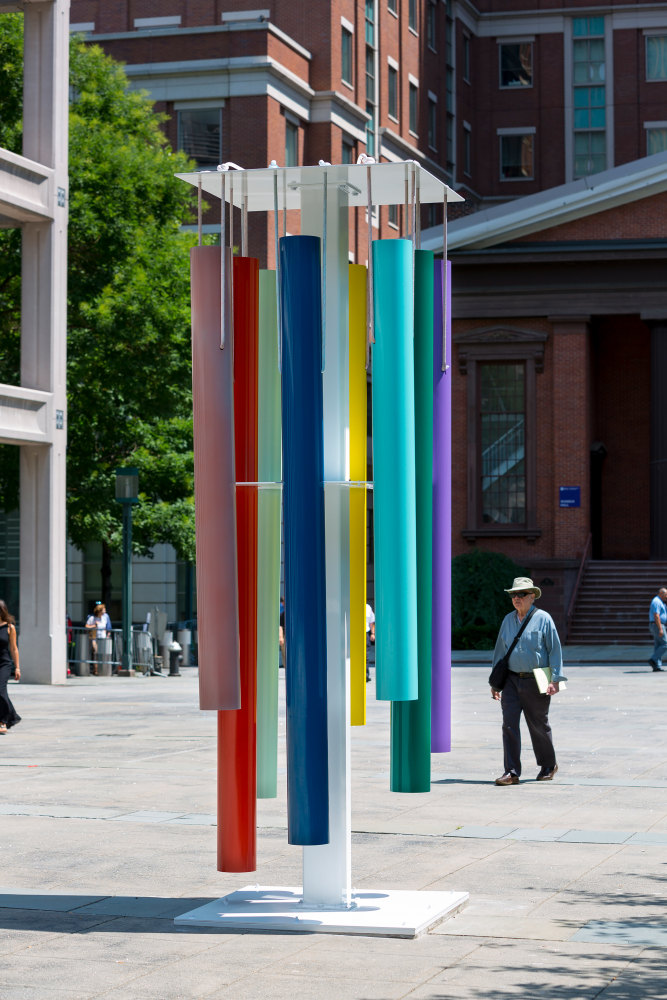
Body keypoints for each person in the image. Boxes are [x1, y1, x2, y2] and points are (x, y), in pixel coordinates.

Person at [491, 577, 566, 786]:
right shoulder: (507, 620)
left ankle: (548, 765)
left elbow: (555, 650)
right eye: (514, 594)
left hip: (537, 678)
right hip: (511, 680)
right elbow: (500, 652)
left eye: (521, 594)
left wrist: (556, 679)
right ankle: (511, 771)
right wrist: (495, 683)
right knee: (509, 725)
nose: (516, 598)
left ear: (532, 597)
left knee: (539, 725)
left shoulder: (544, 618)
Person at [0, 599, 21, 734]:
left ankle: (3, 721)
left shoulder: (9, 627)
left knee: (0, 691)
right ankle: (12, 716)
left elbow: (14, 649)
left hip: (4, 663)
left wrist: (17, 667)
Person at [85, 602, 111, 674]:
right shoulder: (92, 618)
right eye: (103, 609)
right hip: (94, 638)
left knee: (102, 654)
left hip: (103, 638)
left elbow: (106, 627)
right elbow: (86, 626)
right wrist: (94, 625)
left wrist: (107, 634)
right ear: (99, 610)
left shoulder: (105, 618)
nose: (104, 611)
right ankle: (96, 669)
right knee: (96, 653)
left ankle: (102, 669)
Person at [648, 587, 667, 672]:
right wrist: (660, 628)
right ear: (661, 593)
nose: (666, 596)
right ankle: (653, 659)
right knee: (665, 644)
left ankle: (657, 665)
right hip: (657, 625)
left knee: (658, 645)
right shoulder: (656, 601)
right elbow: (656, 615)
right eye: (666, 594)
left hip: (657, 625)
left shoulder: (660, 601)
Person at [365, 603, 375, 682]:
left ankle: (366, 675)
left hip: (365, 633)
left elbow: (371, 622)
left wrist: (372, 633)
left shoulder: (368, 607)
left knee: (366, 656)